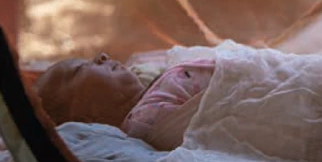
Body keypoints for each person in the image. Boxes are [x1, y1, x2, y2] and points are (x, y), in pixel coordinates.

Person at [34, 52, 215, 150]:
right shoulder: (146, 122)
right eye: (81, 68)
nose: (101, 56)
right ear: (85, 116)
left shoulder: (151, 92)